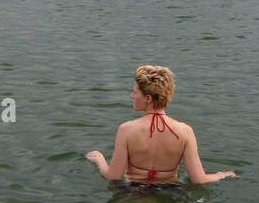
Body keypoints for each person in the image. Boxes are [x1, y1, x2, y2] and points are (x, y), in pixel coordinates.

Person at [85, 64, 237, 187]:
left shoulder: (126, 130)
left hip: (133, 192)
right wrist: (221, 175)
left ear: (148, 98)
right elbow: (199, 179)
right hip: (170, 192)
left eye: (135, 92)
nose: (132, 96)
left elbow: (113, 176)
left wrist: (100, 160)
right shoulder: (185, 131)